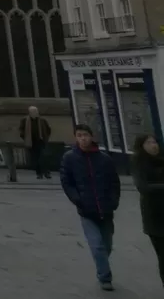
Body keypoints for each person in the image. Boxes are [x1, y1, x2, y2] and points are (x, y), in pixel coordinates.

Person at [60, 122, 121, 291]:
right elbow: (67, 182)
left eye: (85, 135)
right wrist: (77, 199)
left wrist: (114, 201)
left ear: (91, 136)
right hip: (86, 210)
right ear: (76, 138)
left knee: (107, 245)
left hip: (106, 209)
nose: (83, 138)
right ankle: (105, 277)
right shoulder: (70, 158)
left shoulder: (104, 159)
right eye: (79, 135)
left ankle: (101, 264)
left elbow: (114, 182)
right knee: (97, 245)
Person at [132, 133, 164, 288]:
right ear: (142, 146)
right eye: (149, 142)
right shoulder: (140, 164)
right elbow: (143, 187)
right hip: (155, 217)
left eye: (155, 141)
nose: (154, 145)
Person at [20, 105, 53, 179]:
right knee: (35, 158)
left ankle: (46, 172)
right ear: (30, 113)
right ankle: (39, 173)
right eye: (34, 111)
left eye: (36, 111)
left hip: (41, 141)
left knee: (43, 157)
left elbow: (48, 130)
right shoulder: (25, 120)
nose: (36, 113)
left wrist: (45, 138)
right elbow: (21, 130)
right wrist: (25, 138)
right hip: (31, 142)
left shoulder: (42, 120)